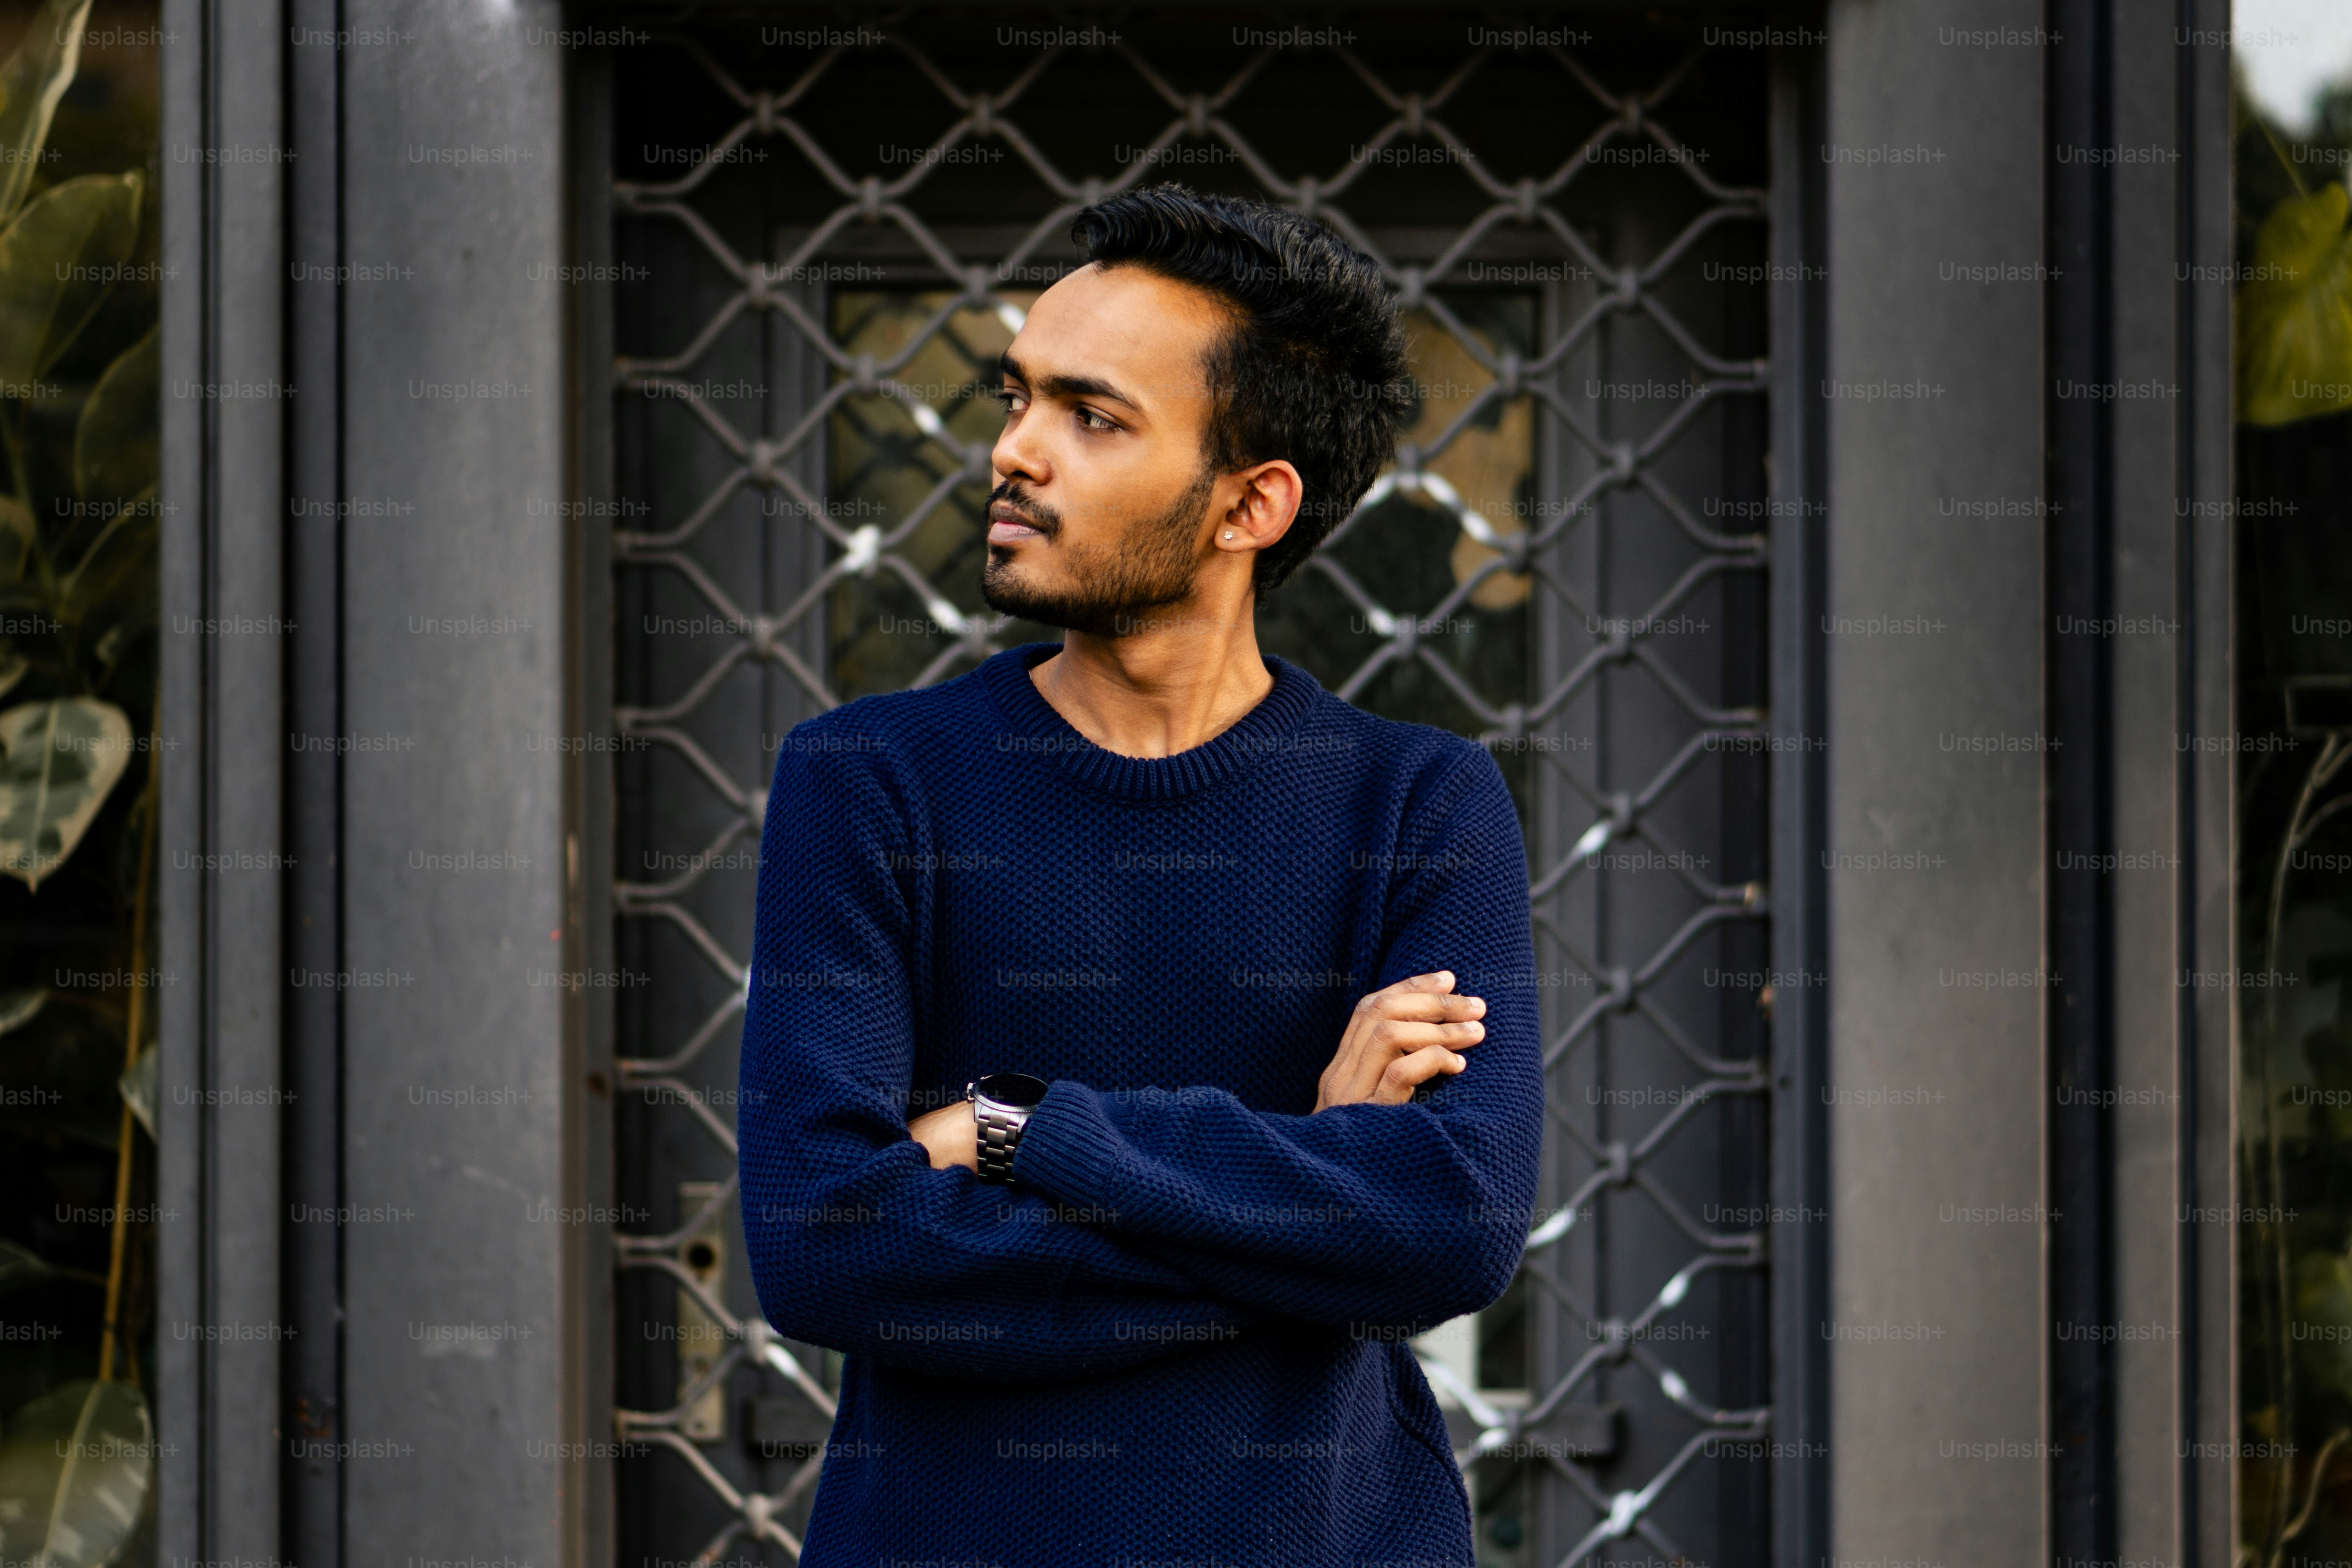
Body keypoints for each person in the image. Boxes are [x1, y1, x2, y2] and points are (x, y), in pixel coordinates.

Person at [739, 182, 1542, 1566]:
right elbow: (828, 1246)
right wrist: (1304, 1189)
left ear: (1249, 504)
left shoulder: (1415, 804)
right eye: (1017, 397)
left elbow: (1446, 1233)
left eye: (1091, 417)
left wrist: (1011, 1129)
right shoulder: (867, 780)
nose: (1012, 452)